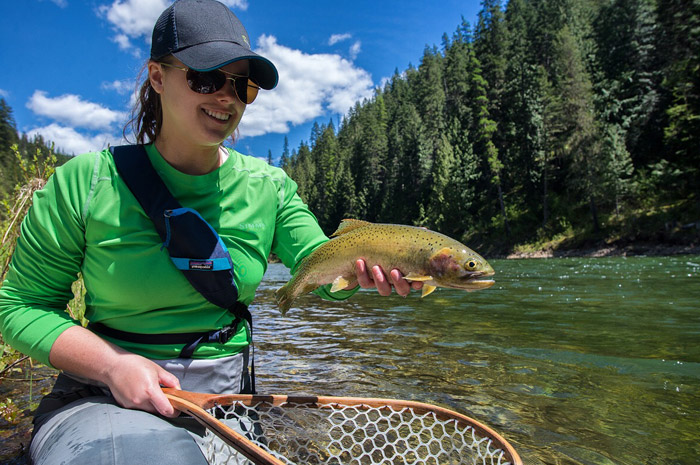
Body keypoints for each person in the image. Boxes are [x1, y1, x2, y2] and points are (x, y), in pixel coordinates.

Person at [0, 1, 422, 464]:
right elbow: (20, 308)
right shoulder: (84, 182)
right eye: (207, 78)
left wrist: (374, 266)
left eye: (242, 86)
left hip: (227, 404)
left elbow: (318, 262)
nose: (227, 97)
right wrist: (111, 365)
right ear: (158, 77)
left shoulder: (271, 188)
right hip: (101, 397)